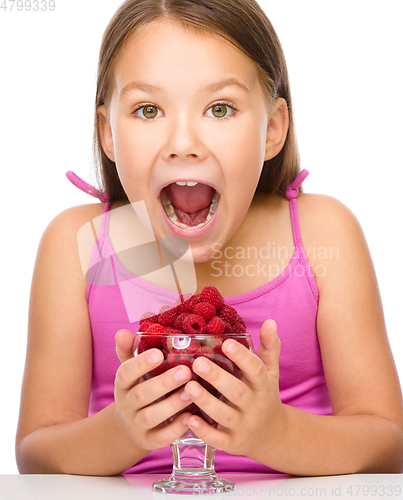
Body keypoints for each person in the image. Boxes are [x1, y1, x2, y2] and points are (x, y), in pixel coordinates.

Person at [16, 0, 403, 476]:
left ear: (273, 129)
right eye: (148, 109)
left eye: (220, 108)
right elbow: (36, 455)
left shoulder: (324, 232)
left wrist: (275, 432)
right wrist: (120, 431)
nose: (184, 141)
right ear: (107, 132)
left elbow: (388, 445)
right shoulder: (79, 242)